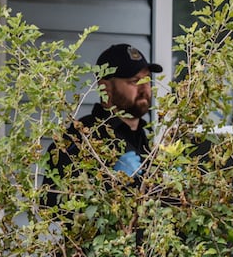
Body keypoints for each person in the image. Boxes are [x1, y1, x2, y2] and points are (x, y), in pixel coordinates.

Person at [42, 42, 164, 207]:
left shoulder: (145, 137)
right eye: (134, 81)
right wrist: (109, 182)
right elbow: (50, 204)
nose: (144, 88)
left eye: (147, 80)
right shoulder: (81, 136)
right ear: (105, 88)